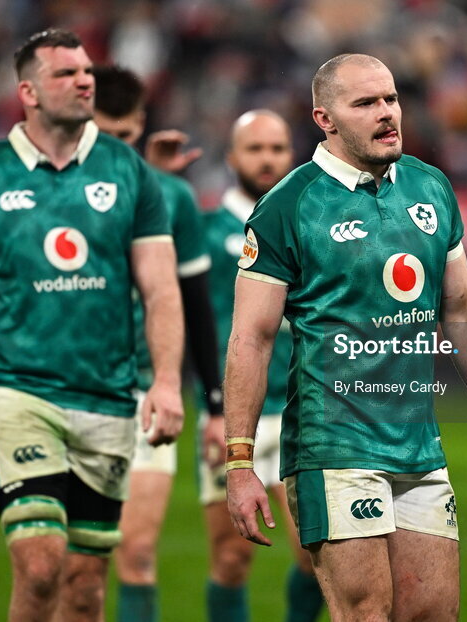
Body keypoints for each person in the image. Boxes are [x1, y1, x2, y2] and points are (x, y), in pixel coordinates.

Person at [223, 53, 467, 621]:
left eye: (390, 98)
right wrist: (239, 462)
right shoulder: (287, 207)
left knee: (434, 613)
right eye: (365, 103)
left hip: (418, 447)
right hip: (332, 447)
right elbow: (251, 339)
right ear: (325, 119)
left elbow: (462, 309)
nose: (387, 113)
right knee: (365, 614)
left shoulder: (429, 186)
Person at [0, 29, 184, 622]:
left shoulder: (131, 174)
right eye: (65, 74)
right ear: (28, 92)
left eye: (86, 71)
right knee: (41, 568)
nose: (84, 80)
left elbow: (161, 288)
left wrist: (165, 382)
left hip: (109, 398)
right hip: (20, 393)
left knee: (86, 588)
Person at [90, 65, 224, 622]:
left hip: (148, 394)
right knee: (75, 570)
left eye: (125, 137)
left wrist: (213, 406)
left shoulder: (172, 198)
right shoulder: (54, 189)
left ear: (141, 125)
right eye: (105, 136)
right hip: (78, 394)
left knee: (138, 552)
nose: (117, 150)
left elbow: (195, 308)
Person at [197, 109, 323, 622]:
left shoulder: (315, 221)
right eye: (255, 149)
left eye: (276, 148)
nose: (267, 158)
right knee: (231, 558)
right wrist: (209, 406)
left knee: (315, 556)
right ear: (231, 158)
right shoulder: (205, 234)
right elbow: (194, 330)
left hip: (303, 412)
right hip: (234, 414)